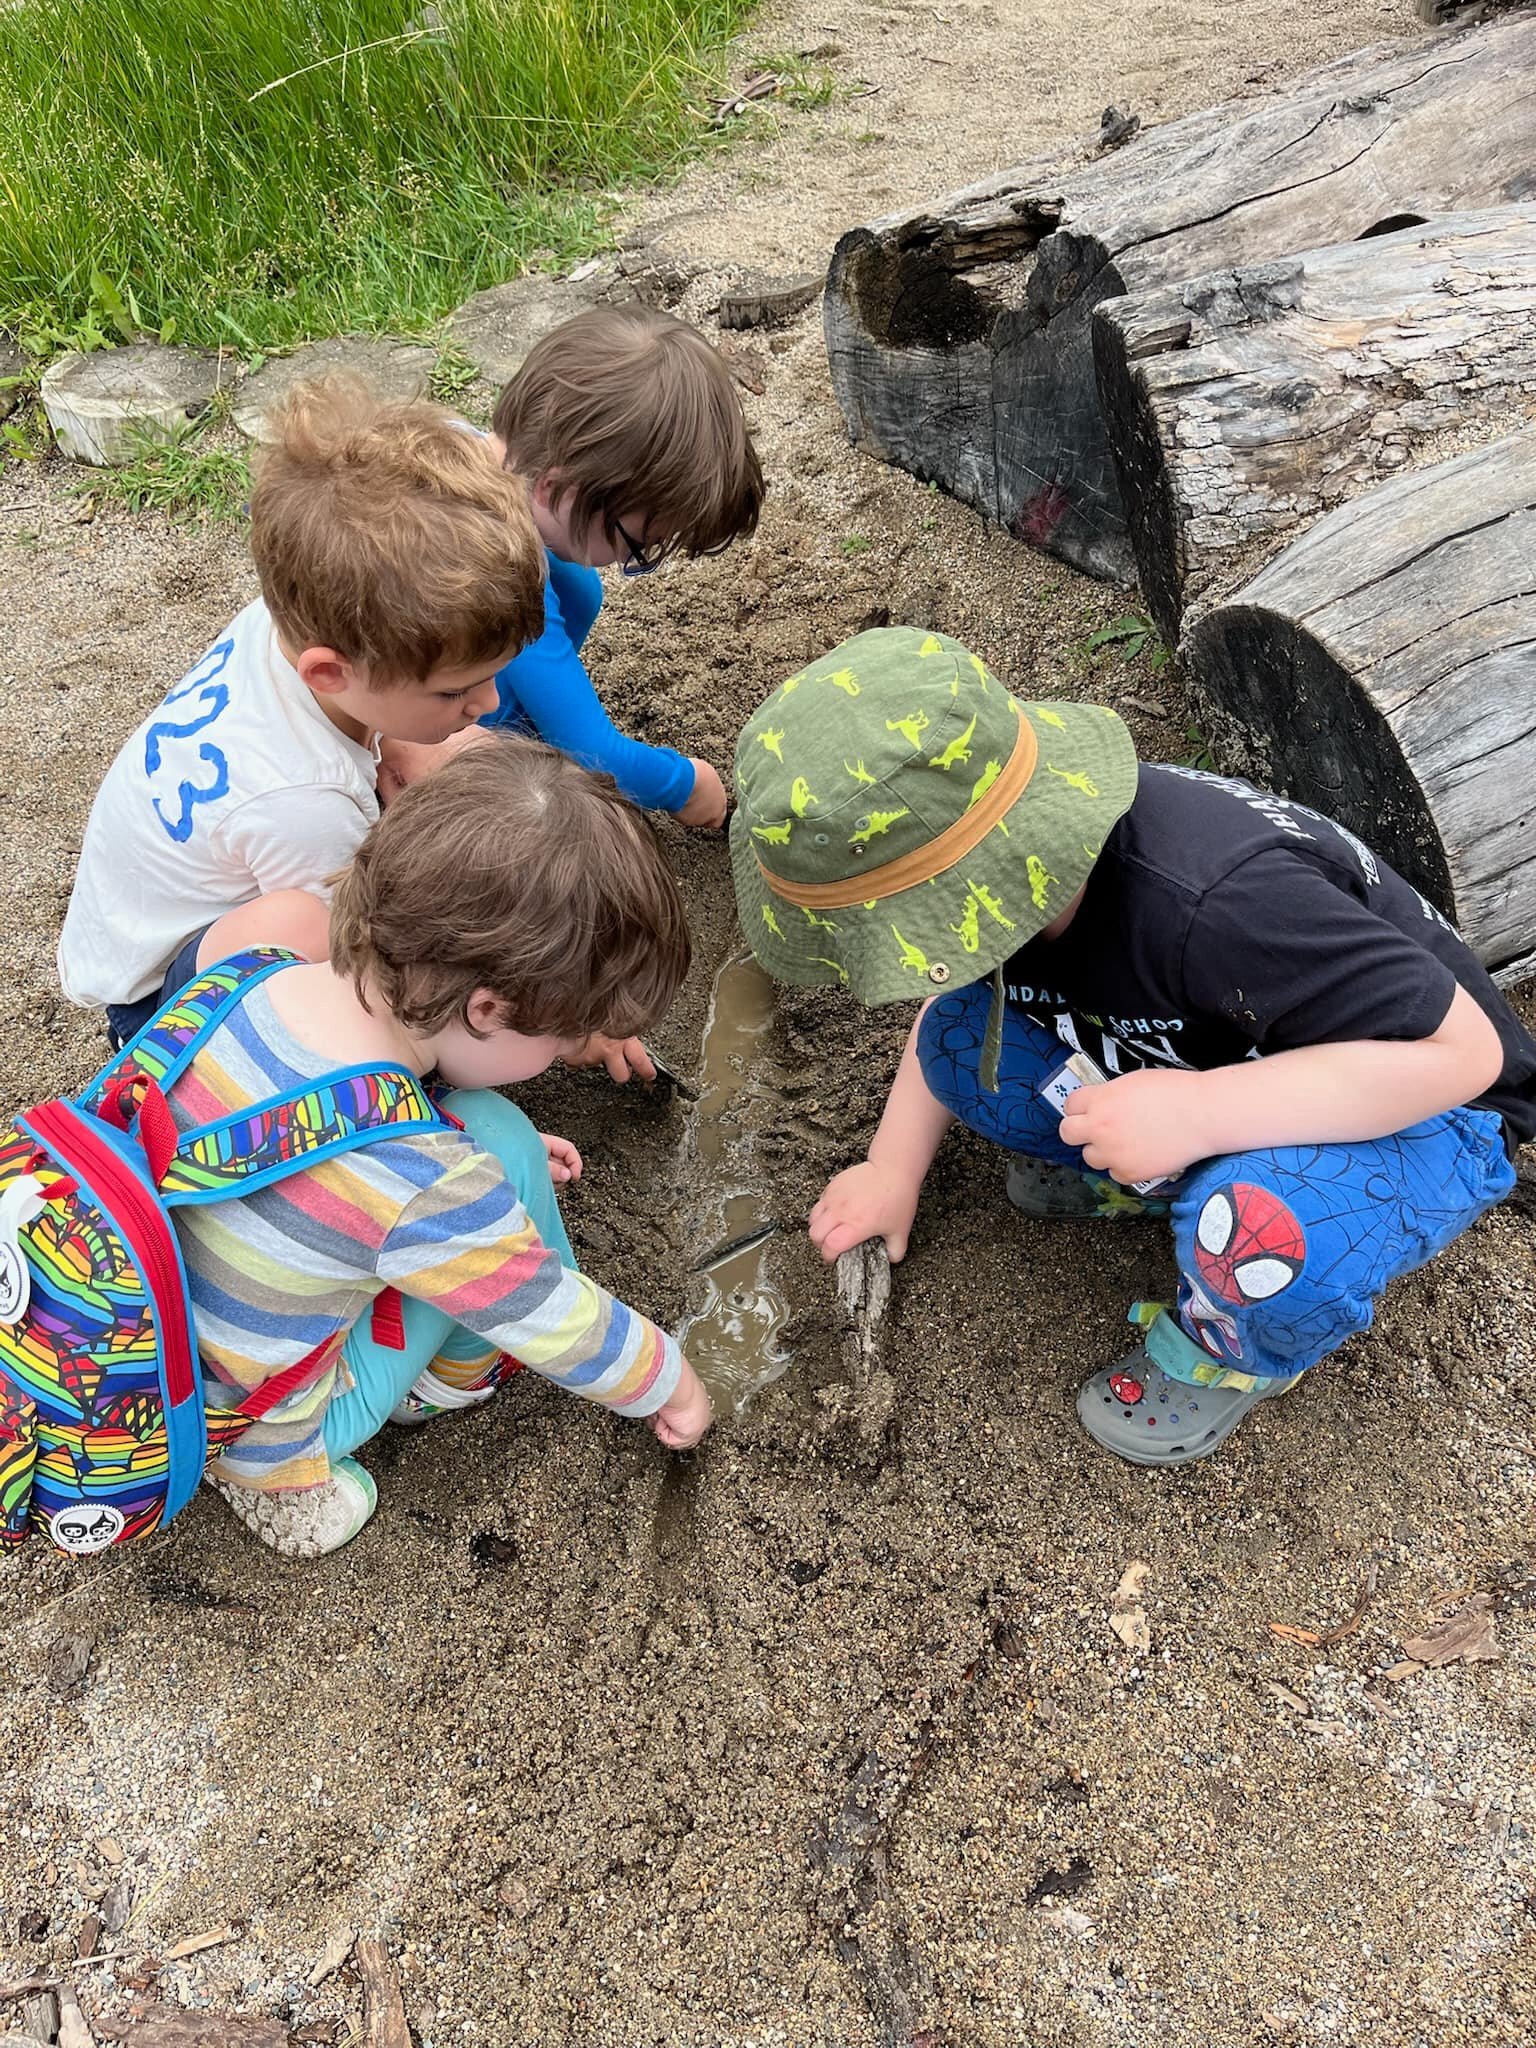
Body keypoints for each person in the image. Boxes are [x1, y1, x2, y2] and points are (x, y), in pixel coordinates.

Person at [728, 627, 1535, 1466]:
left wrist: (1200, 1111)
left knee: (1257, 1230)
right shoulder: (1020, 869)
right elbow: (954, 981)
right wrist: (891, 1167)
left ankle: (1232, 1348)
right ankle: (1161, 1178)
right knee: (959, 1042)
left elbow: (1464, 1057)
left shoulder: (1218, 904)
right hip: (1222, 1046)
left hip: (1424, 1105)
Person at [161, 738, 713, 1558]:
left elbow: (302, 1138)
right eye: (563, 1040)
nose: (565, 1054)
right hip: (248, 1421)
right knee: (490, 1263)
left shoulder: (246, 978)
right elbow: (547, 1315)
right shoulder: (419, 1178)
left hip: (151, 1345)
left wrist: (466, 1164)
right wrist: (671, 1379)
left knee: (493, 1131)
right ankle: (307, 1467)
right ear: (487, 1010)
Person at [57, 378, 546, 1047]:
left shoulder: (285, 619)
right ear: (330, 671)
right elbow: (360, 963)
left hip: (161, 915)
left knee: (464, 758)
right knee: (319, 937)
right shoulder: (306, 803)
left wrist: (414, 739)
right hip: (159, 1007)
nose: (488, 703)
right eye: (452, 691)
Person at [379, 304, 764, 835]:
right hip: (396, 751)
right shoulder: (496, 573)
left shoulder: (461, 447)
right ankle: (495, 732)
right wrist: (687, 784)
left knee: (579, 585)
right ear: (557, 490)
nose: (628, 561)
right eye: (639, 544)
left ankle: (518, 712)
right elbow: (596, 753)